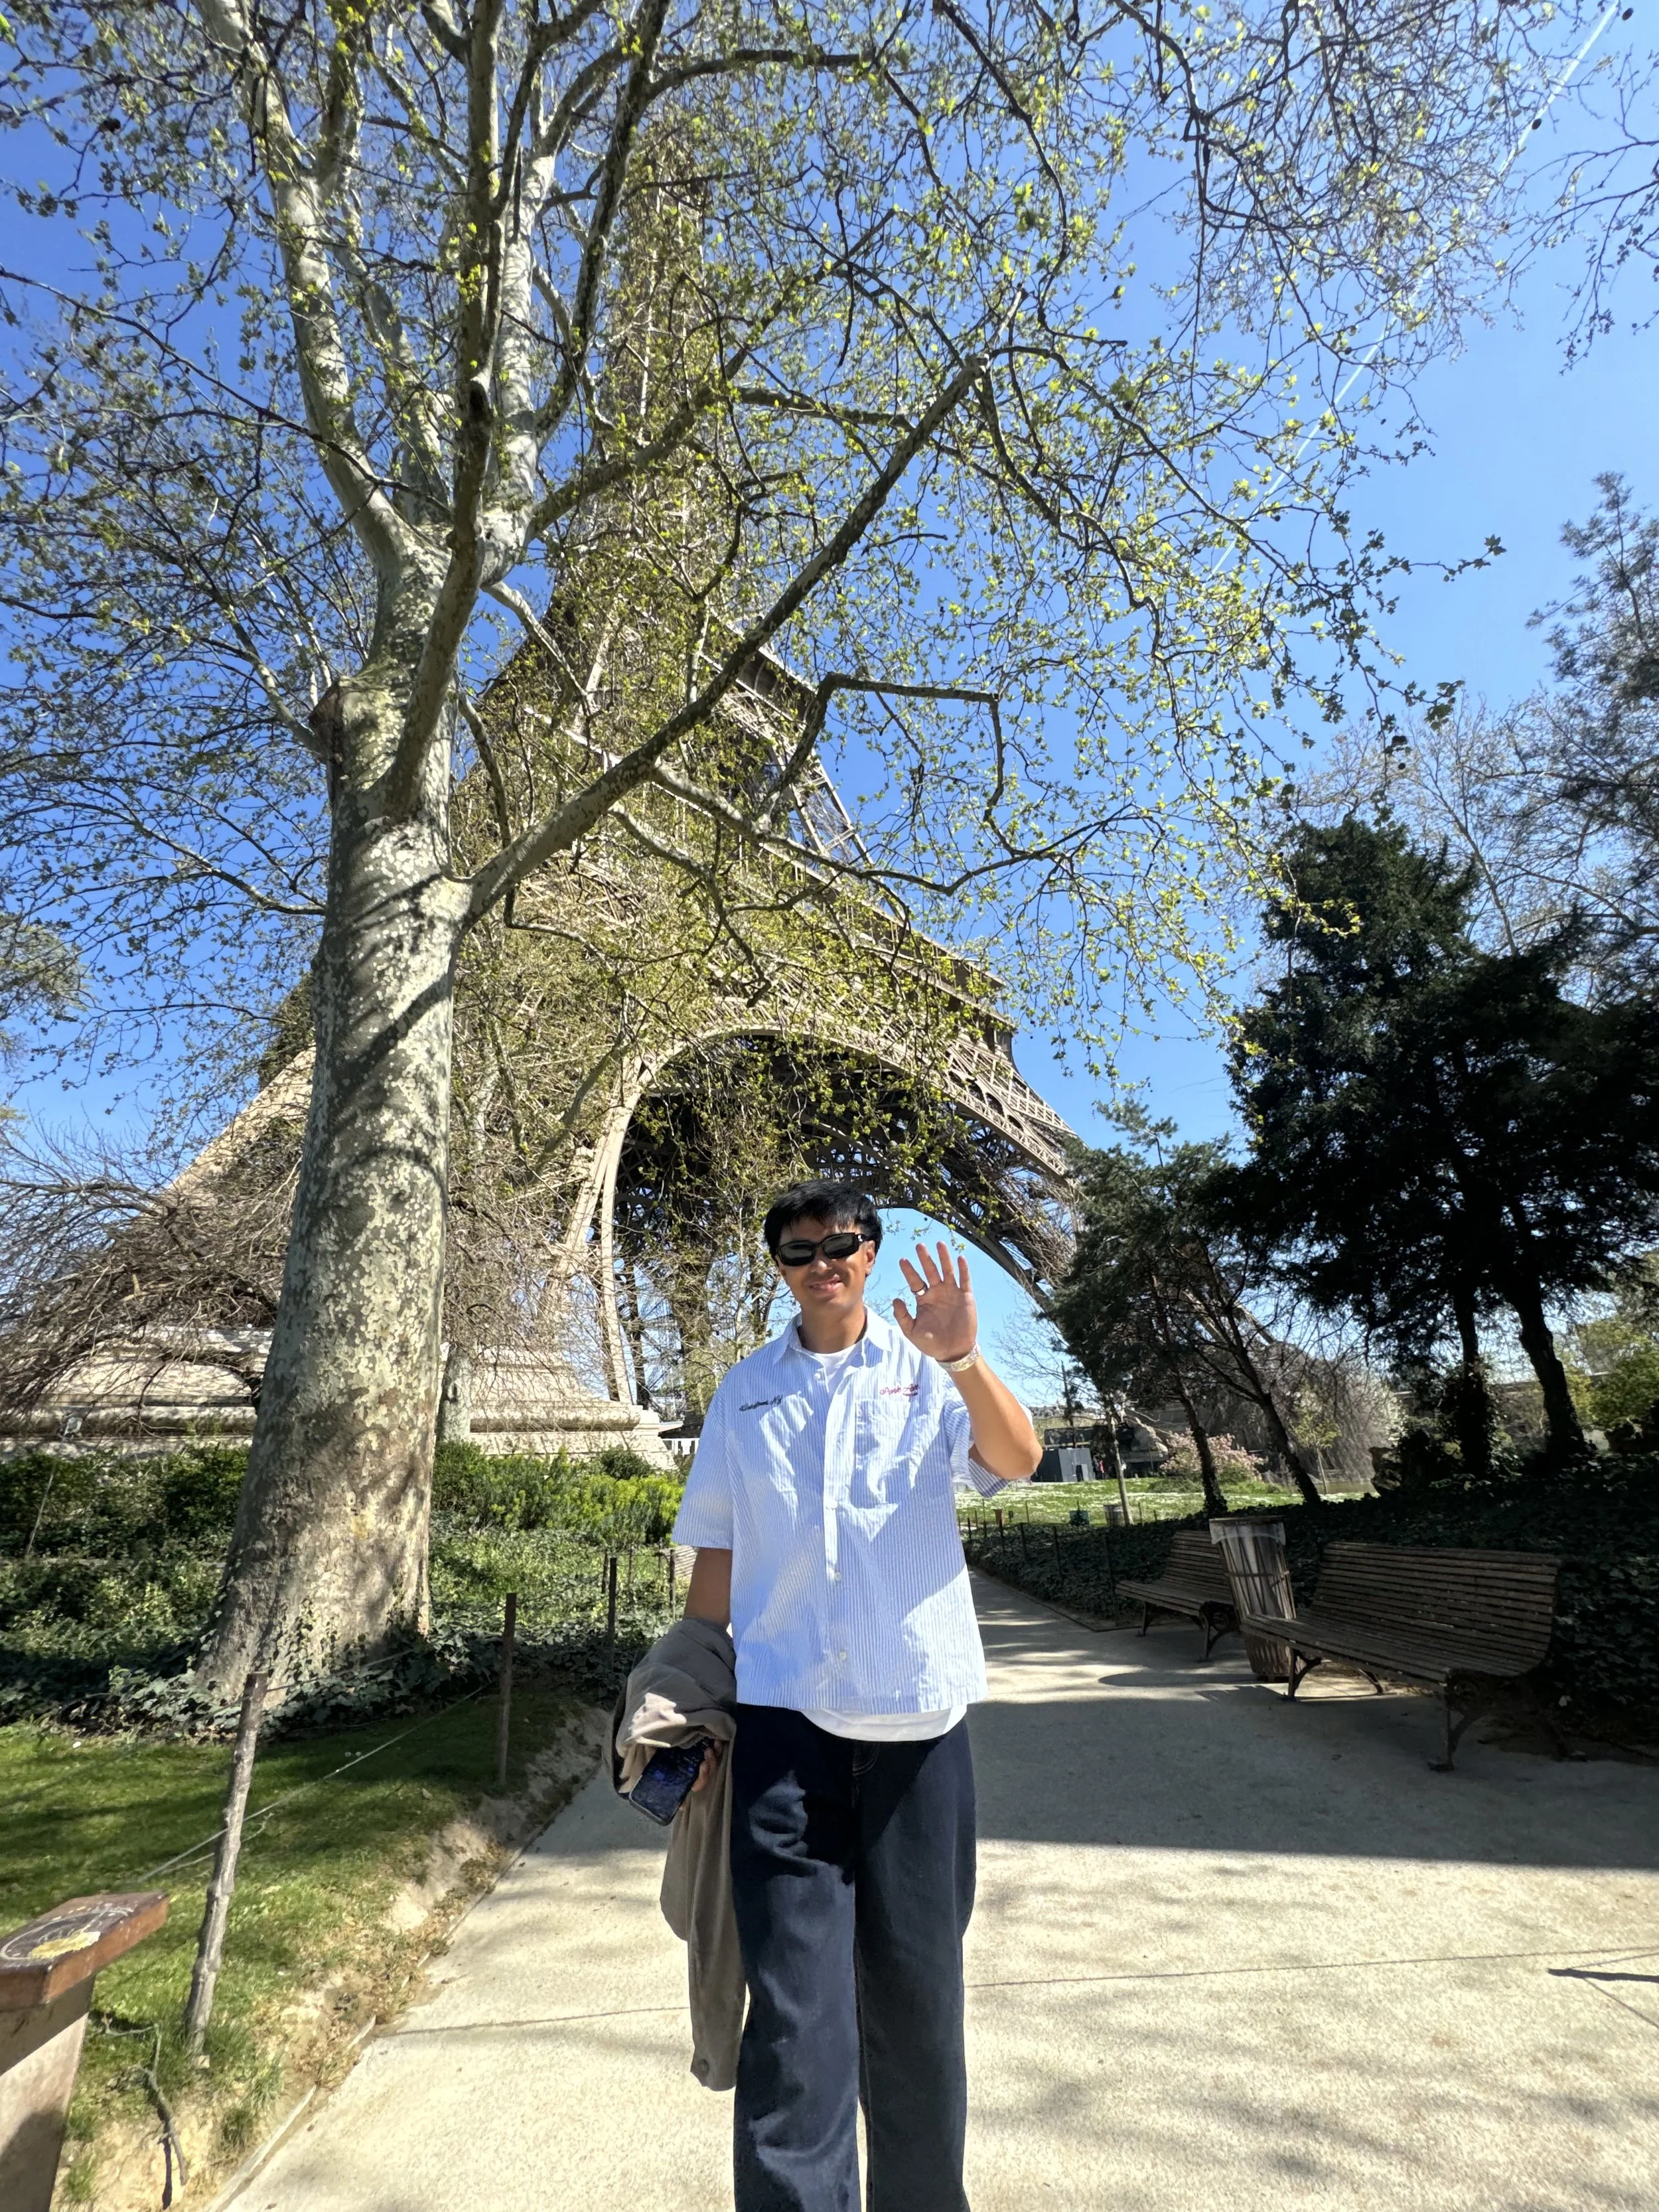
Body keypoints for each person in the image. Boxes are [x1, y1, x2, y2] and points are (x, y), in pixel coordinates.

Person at [673, 1179, 1041, 2212]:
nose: (823, 1262)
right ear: (780, 1269)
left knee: (918, 2006)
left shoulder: (931, 1375)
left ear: (871, 1253)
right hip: (783, 1727)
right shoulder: (743, 1392)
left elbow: (1016, 1460)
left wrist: (964, 1359)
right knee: (793, 2012)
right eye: (799, 1251)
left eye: (842, 1244)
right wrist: (690, 1695)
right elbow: (717, 1551)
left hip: (917, 1725)